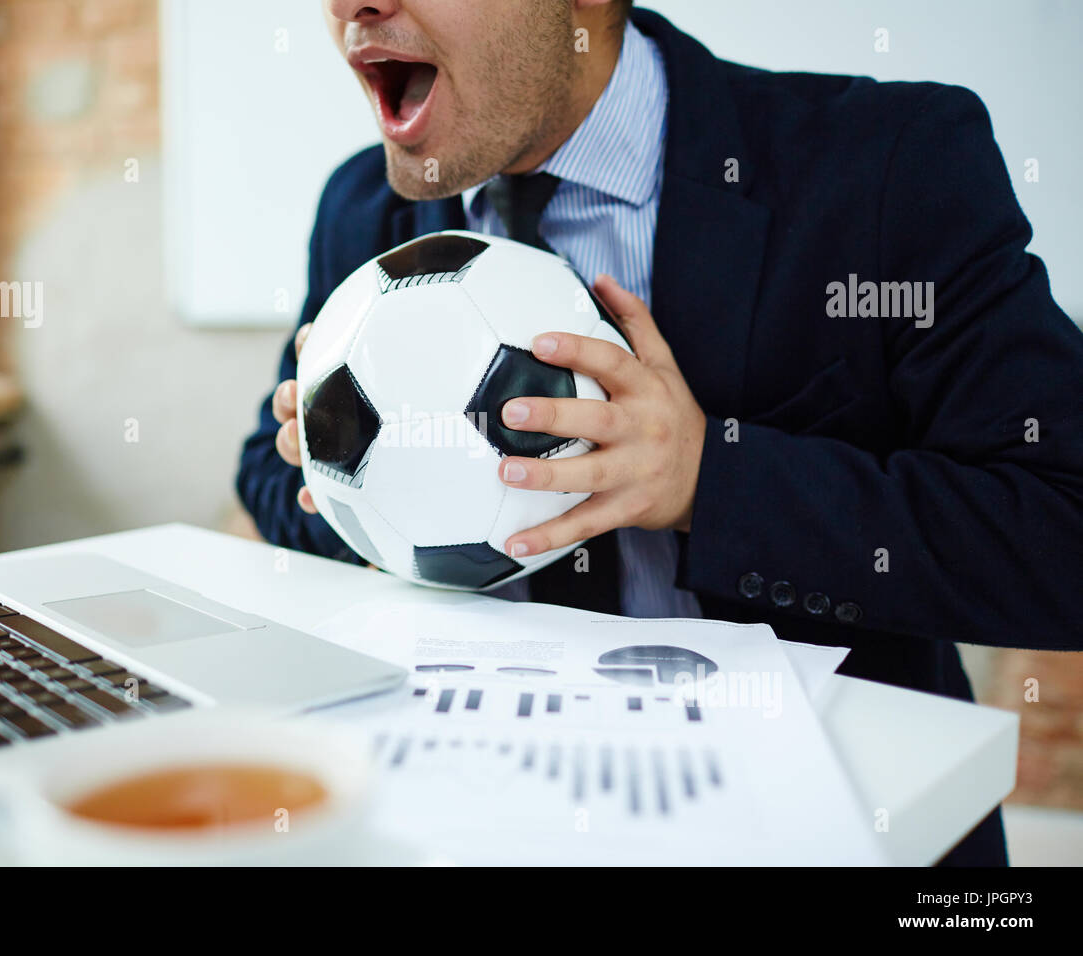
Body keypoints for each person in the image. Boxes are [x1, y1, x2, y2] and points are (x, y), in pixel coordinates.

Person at [237, 1, 1083, 866]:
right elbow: (264, 476)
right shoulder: (361, 208)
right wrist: (346, 483)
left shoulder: (888, 163)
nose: (352, 3)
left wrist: (706, 483)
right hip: (477, 818)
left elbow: (1063, 530)